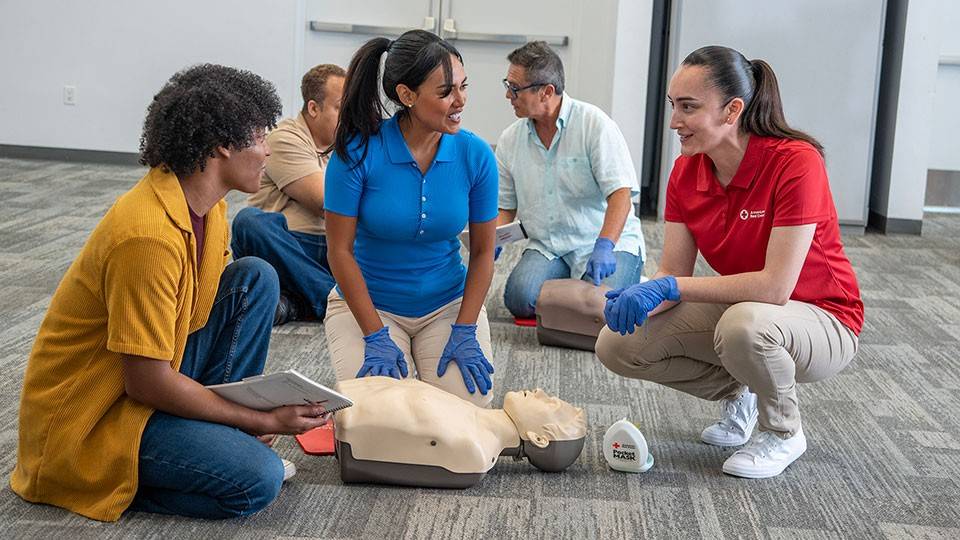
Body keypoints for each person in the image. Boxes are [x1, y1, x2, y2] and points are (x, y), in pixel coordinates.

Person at [10, 64, 329, 522]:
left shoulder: (209, 206)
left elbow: (193, 320)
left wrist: (244, 410)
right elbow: (146, 381)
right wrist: (258, 419)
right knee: (258, 479)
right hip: (94, 420)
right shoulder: (148, 236)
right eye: (260, 137)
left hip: (147, 381)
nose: (267, 150)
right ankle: (105, 478)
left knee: (255, 278)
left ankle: (214, 436)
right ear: (222, 145)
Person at [595, 46, 863, 479]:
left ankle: (783, 432)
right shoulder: (685, 172)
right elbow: (673, 274)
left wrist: (669, 288)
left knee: (744, 326)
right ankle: (745, 393)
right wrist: (643, 296)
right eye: (673, 105)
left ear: (732, 110)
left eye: (688, 107)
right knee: (617, 344)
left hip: (826, 318)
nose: (674, 121)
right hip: (750, 311)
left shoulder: (796, 162)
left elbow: (775, 287)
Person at [323, 30, 498, 407]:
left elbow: (484, 253)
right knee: (378, 414)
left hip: (447, 305)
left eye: (464, 86)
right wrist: (374, 335)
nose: (460, 100)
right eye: (446, 91)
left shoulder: (476, 154)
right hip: (370, 307)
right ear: (407, 95)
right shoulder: (356, 152)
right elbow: (339, 251)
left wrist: (465, 328)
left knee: (467, 409)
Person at [496, 41, 645, 319]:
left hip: (604, 241)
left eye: (515, 88)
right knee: (519, 298)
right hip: (550, 245)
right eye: (507, 85)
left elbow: (620, 195)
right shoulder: (510, 139)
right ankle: (573, 286)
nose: (508, 95)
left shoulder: (594, 125)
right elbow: (506, 206)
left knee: (605, 308)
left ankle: (625, 279)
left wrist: (605, 245)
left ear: (546, 92)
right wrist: (493, 238)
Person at [231, 64, 346, 325]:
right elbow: (328, 204)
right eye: (341, 108)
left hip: (333, 248)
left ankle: (294, 304)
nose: (349, 116)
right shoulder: (285, 138)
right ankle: (338, 304)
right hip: (288, 247)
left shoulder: (349, 143)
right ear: (313, 108)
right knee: (248, 222)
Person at [334, 377, 587, 488]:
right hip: (347, 400)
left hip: (349, 416)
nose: (541, 392)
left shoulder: (473, 451)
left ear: (539, 439)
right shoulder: (472, 415)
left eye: (550, 404)